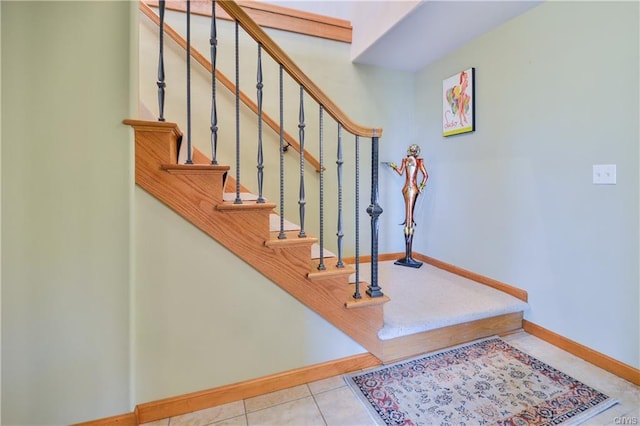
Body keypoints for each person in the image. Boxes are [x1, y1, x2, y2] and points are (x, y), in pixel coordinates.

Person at [389, 144, 428, 268]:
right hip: (409, 189)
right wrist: (393, 166)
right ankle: (408, 255)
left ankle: (409, 256)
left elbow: (425, 176)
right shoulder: (410, 160)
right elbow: (424, 176)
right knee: (408, 219)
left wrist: (421, 187)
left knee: (409, 219)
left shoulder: (417, 161)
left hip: (409, 189)